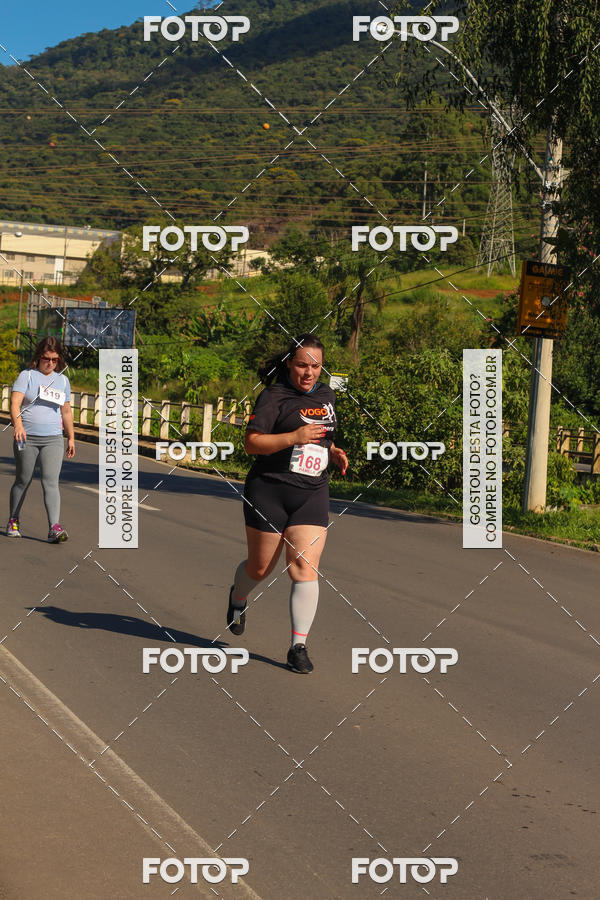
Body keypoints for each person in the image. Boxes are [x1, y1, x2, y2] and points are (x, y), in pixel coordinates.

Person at [227, 335, 348, 674]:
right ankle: (238, 597)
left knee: (304, 568)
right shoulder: (273, 396)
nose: (308, 373)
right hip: (270, 490)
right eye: (301, 365)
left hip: (312, 491)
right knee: (261, 568)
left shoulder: (327, 395)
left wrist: (333, 451)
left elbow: (324, 435)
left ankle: (298, 646)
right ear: (289, 365)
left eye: (315, 366)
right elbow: (252, 443)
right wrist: (294, 438)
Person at [7, 337, 75, 542]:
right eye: (47, 359)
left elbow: (66, 411)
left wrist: (71, 437)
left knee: (51, 482)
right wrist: (18, 425)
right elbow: (15, 403)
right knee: (23, 480)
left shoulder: (62, 381)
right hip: (26, 437)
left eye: (55, 360)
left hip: (53, 439)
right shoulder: (26, 376)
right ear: (38, 358)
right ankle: (13, 519)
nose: (51, 363)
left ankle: (54, 527)